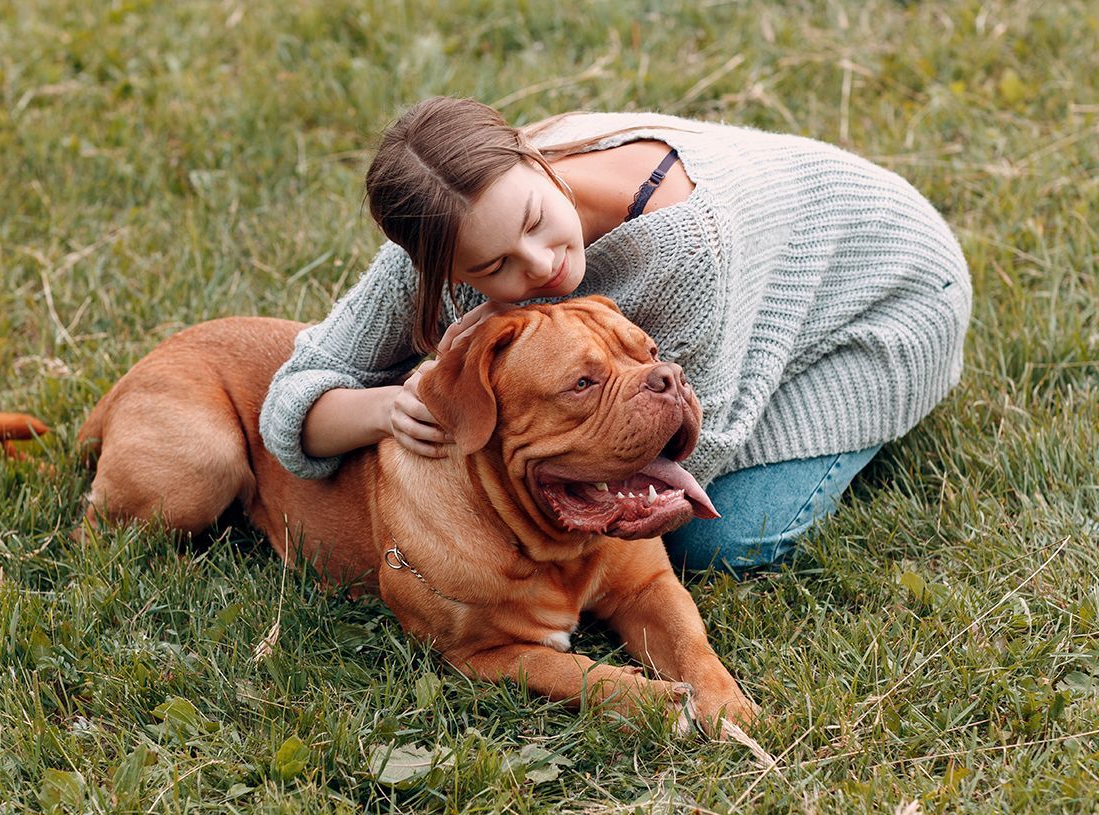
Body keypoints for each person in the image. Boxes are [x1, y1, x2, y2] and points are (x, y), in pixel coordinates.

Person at [259, 97, 972, 576]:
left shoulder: (685, 250)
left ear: (534, 160)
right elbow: (290, 399)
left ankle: (846, 423)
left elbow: (694, 444)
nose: (540, 266)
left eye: (535, 221)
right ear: (440, 267)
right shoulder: (446, 229)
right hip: (771, 290)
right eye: (492, 267)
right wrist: (386, 407)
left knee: (712, 536)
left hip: (889, 294)